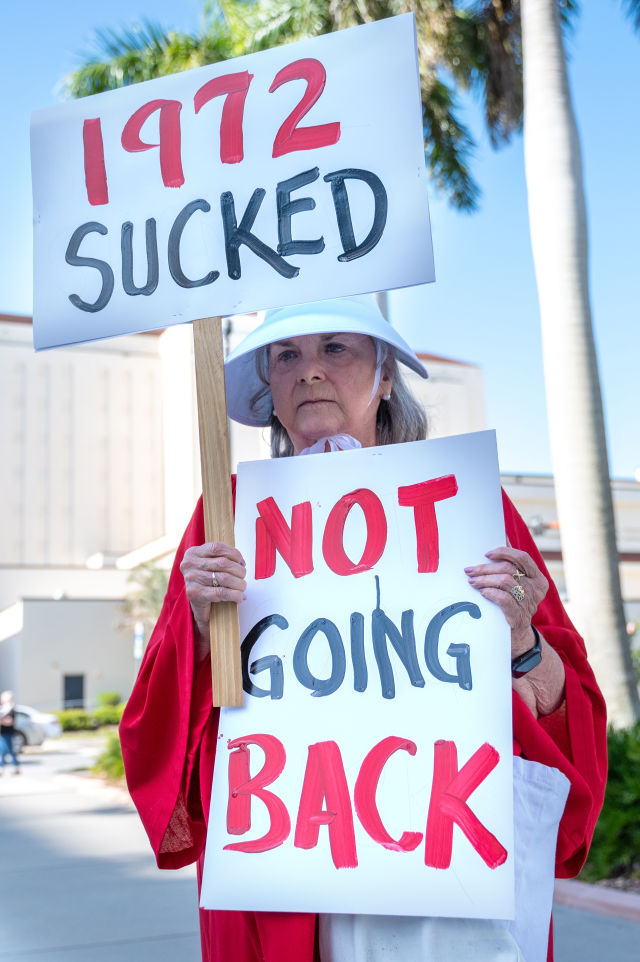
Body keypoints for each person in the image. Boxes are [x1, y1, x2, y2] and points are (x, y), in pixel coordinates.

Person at [120, 296, 606, 962]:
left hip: (445, 875)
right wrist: (200, 630)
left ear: (383, 378)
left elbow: (566, 707)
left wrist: (523, 639)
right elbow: (157, 721)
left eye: (335, 348)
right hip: (285, 876)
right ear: (269, 390)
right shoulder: (227, 518)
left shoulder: (470, 504)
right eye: (286, 356)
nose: (309, 371)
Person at [0, 690, 21, 774]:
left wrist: (2, 721)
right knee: (2, 751)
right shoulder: (3, 709)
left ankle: (15, 767)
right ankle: (5, 767)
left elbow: (10, 722)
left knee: (10, 751)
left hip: (8, 733)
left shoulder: (10, 709)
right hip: (2, 733)